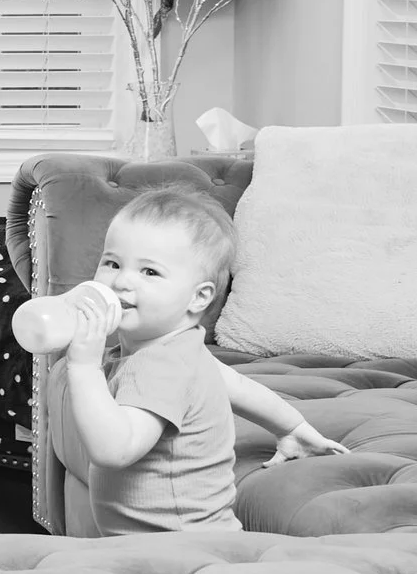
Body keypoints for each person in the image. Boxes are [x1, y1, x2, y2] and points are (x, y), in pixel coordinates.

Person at [52, 188, 344, 536]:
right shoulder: (182, 348)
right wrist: (293, 429)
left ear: (199, 297)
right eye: (112, 263)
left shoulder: (159, 365)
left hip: (177, 550)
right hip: (194, 540)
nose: (122, 280)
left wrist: (83, 367)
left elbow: (114, 449)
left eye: (149, 272)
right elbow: (239, 387)